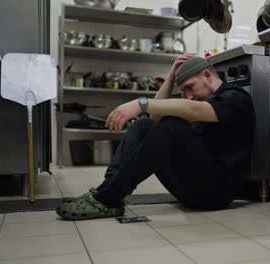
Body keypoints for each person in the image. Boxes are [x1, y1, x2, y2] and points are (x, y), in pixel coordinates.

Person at [56, 55, 256, 220]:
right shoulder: (203, 100)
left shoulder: (235, 98)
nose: (188, 96)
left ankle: (109, 199)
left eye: (190, 87)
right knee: (144, 125)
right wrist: (170, 78)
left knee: (171, 125)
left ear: (206, 75)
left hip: (217, 193)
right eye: (184, 90)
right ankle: (106, 192)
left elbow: (193, 110)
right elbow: (155, 119)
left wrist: (140, 103)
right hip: (194, 188)